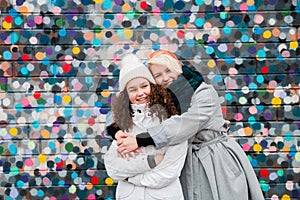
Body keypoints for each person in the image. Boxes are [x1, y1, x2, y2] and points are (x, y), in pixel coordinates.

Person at [107, 50, 264, 200]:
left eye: (168, 70)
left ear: (178, 68)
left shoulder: (204, 93)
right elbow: (123, 109)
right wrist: (116, 131)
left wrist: (140, 140)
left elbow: (184, 125)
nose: (165, 77)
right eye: (158, 75)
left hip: (215, 158)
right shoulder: (165, 99)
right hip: (187, 162)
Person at [104, 53, 188, 200]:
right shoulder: (122, 124)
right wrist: (151, 161)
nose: (140, 93)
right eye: (133, 89)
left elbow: (169, 172)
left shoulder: (171, 121)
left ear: (153, 87)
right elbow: (113, 167)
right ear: (125, 95)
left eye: (144, 86)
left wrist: (130, 178)